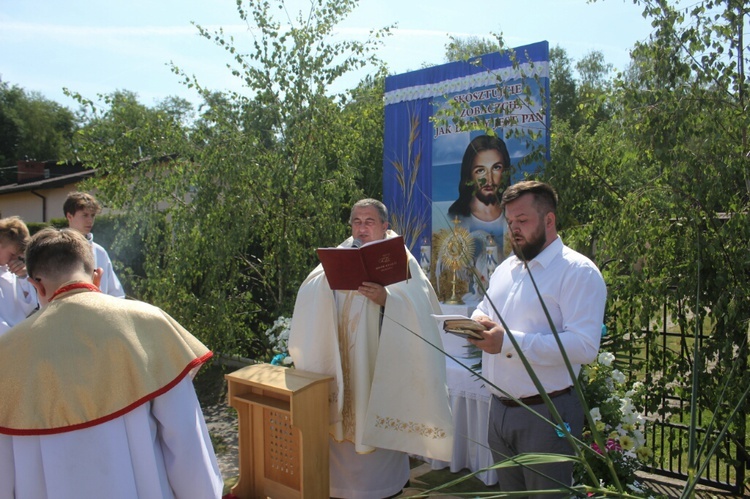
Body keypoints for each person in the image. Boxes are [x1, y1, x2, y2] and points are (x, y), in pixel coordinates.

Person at [0, 228, 223, 498]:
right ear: (97, 276)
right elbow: (185, 438)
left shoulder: (8, 352)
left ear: (37, 286)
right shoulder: (147, 323)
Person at [288, 198, 453, 499]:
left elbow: (422, 307)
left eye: (369, 222)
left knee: (374, 428)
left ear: (384, 226)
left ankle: (384, 489)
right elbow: (308, 288)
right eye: (357, 222)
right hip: (342, 367)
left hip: (378, 367)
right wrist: (327, 282)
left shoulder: (402, 258)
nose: (362, 229)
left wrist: (388, 300)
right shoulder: (341, 252)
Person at [468, 181, 606, 498]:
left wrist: (510, 343)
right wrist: (475, 323)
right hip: (499, 411)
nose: (514, 229)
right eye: (510, 222)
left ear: (549, 220)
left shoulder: (578, 272)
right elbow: (483, 308)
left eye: (523, 220)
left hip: (547, 412)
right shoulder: (507, 268)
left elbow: (585, 346)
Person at [445, 134, 512, 299]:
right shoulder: (455, 216)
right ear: (469, 175)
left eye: (496, 168)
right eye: (480, 170)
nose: (488, 179)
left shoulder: (513, 216)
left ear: (505, 171)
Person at [63, 191, 125, 298]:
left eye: (92, 215)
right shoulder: (56, 249)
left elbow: (116, 293)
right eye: (85, 215)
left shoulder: (99, 252)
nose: (90, 220)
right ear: (69, 216)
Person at [0, 216, 37, 336]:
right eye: (12, 254)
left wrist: (22, 278)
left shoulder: (10, 272)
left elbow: (27, 308)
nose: (14, 260)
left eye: (18, 256)